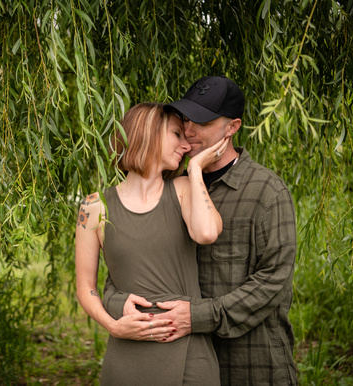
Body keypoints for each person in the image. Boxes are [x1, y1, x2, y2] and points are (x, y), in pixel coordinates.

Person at [103, 76, 298, 385]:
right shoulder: (167, 190)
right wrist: (116, 304)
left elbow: (272, 282)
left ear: (232, 127)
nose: (190, 131)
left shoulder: (265, 191)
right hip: (180, 360)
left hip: (249, 361)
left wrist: (196, 318)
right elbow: (127, 266)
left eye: (203, 122)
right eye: (185, 120)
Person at [75, 102, 230, 385]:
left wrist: (195, 170)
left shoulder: (183, 190)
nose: (187, 145)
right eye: (177, 134)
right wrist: (114, 327)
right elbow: (85, 287)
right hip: (127, 354)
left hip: (188, 352)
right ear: (148, 133)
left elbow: (206, 233)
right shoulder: (94, 206)